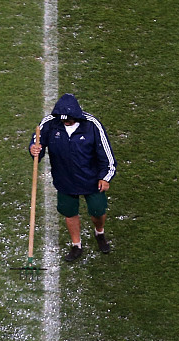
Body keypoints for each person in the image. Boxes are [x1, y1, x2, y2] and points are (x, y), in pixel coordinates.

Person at [29, 94, 116, 262]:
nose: (66, 123)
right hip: (65, 179)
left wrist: (105, 177)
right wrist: (34, 149)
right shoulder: (49, 123)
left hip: (91, 179)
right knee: (70, 213)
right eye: (63, 120)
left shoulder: (92, 125)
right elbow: (36, 143)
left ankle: (99, 232)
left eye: (69, 120)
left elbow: (106, 154)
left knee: (98, 210)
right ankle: (76, 245)